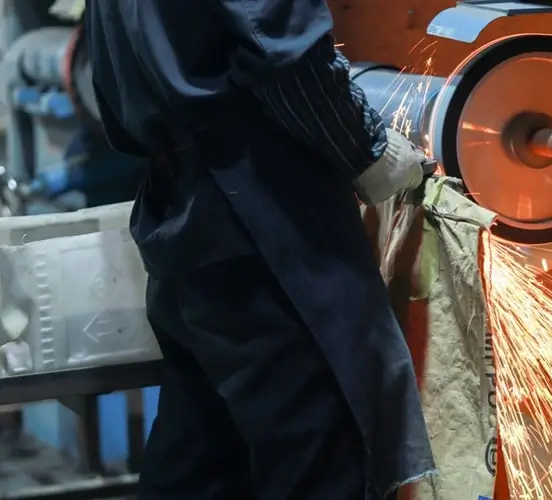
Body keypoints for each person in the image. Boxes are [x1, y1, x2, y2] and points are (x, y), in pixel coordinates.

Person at [85, 0, 435, 498]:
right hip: (262, 215)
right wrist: (368, 150)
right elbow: (285, 55)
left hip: (183, 215)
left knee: (201, 460)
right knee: (318, 457)